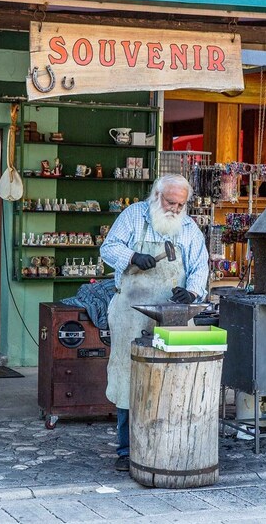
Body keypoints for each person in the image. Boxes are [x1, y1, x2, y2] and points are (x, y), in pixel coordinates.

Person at [100, 174, 209, 472]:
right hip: (132, 309)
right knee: (129, 376)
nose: (174, 209)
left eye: (180, 204)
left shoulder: (188, 228)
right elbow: (108, 248)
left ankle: (170, 444)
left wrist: (192, 291)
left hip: (173, 311)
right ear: (157, 195)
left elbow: (200, 265)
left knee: (173, 378)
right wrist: (133, 255)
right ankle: (126, 449)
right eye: (170, 202)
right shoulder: (134, 216)